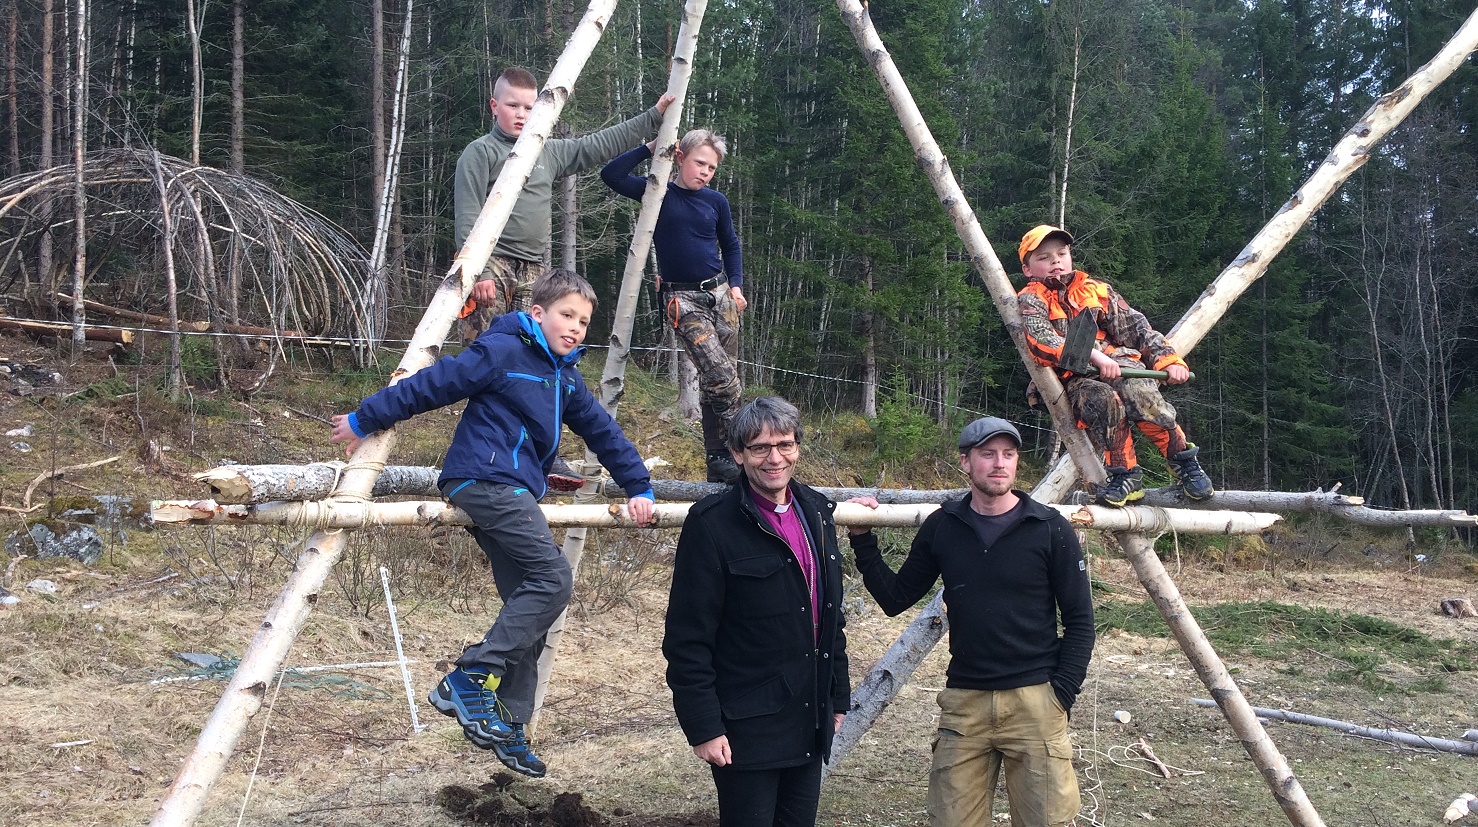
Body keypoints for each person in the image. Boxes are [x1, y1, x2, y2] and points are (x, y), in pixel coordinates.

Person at [329, 270, 657, 778]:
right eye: (567, 315)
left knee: (530, 603)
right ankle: (470, 676)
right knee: (553, 580)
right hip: (483, 478)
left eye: (584, 322)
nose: (574, 328)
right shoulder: (503, 350)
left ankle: (508, 723)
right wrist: (364, 418)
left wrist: (639, 485)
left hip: (514, 489)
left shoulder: (564, 376)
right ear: (538, 312)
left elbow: (603, 431)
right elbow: (435, 384)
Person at [849, 417, 1094, 827]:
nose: (999, 464)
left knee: (1047, 822)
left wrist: (1060, 696)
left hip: (1035, 701)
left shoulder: (1050, 528)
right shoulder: (944, 526)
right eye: (987, 454)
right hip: (965, 702)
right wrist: (862, 539)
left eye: (1009, 454)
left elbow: (1081, 621)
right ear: (966, 462)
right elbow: (895, 599)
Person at [661, 396, 851, 827]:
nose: (774, 458)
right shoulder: (712, 524)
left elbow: (830, 617)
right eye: (759, 448)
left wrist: (837, 697)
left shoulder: (817, 513)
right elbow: (687, 638)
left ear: (798, 447)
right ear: (737, 454)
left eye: (784, 444)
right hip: (746, 725)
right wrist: (704, 726)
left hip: (808, 717)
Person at [453, 66, 676, 343]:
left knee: (531, 353)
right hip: (491, 266)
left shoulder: (548, 151)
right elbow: (467, 215)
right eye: (513, 106)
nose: (522, 114)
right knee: (484, 351)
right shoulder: (480, 152)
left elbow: (597, 145)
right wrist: (479, 271)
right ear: (494, 106)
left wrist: (652, 117)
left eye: (529, 107)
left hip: (534, 269)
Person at [1015, 224, 1215, 506]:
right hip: (1070, 381)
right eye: (1044, 257)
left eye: (1061, 253)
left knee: (1140, 391)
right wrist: (1094, 357)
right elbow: (1041, 339)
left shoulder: (1096, 290)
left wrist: (1168, 361)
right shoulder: (1030, 298)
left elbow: (1138, 329)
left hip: (1120, 368)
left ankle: (1183, 460)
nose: (1055, 261)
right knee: (1101, 399)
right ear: (1028, 268)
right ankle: (1126, 476)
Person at [600, 129, 746, 484]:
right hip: (682, 300)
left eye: (711, 168)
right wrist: (651, 147)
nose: (705, 172)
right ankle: (741, 456)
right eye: (700, 163)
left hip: (721, 297)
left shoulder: (716, 201)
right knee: (724, 381)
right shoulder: (657, 192)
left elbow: (730, 243)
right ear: (680, 157)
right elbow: (611, 175)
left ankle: (718, 460)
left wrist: (737, 286)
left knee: (717, 385)